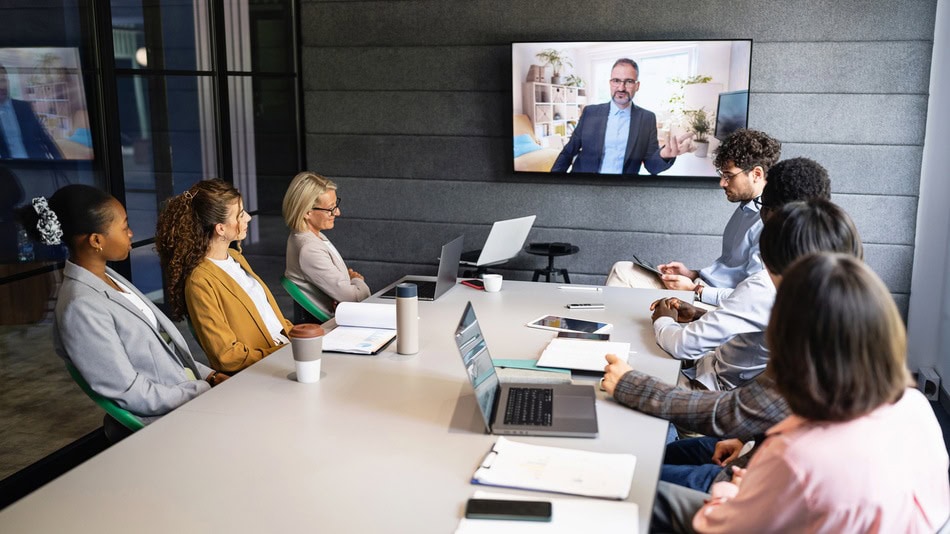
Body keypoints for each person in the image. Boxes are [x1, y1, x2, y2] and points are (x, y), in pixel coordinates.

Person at [652, 254, 950, 533]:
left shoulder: (795, 455)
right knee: (659, 459)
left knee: (643, 486)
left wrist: (734, 490)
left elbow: (720, 525)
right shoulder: (914, 405)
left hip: (744, 505)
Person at [602, 200, 862, 441]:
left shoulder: (784, 309)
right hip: (733, 415)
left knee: (621, 375)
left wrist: (634, 384)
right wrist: (702, 314)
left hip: (719, 406)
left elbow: (731, 413)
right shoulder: (841, 313)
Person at [16, 185, 224, 426]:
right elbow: (131, 392)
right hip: (168, 419)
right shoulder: (80, 306)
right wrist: (202, 391)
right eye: (124, 227)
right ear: (96, 240)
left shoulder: (108, 278)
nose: (131, 233)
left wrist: (210, 375)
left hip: (189, 394)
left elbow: (163, 348)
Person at [645, 158, 833, 391]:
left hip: (713, 392)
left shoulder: (767, 284)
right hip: (714, 368)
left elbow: (683, 345)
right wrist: (699, 315)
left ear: (770, 213)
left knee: (634, 361)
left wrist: (662, 318)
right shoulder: (824, 276)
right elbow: (754, 324)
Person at [606, 129, 781, 302]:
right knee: (624, 269)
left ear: (756, 174)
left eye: (729, 176)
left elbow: (753, 298)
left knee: (622, 276)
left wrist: (694, 290)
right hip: (701, 287)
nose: (722, 183)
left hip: (710, 299)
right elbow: (727, 270)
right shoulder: (746, 209)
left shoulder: (768, 224)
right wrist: (691, 274)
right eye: (722, 175)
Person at [155, 179, 293, 373]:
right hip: (262, 373)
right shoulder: (200, 281)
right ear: (220, 228)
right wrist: (283, 353)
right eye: (241, 214)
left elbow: (269, 317)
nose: (248, 219)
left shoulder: (236, 257)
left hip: (286, 356)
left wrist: (302, 338)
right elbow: (227, 356)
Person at [550, 58, 691, 175]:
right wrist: (551, 184)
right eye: (616, 80)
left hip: (622, 191)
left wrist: (664, 155)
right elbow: (568, 152)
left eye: (628, 81)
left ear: (637, 86)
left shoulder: (647, 119)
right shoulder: (590, 113)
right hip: (586, 187)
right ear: (610, 83)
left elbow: (651, 166)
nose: (621, 88)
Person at [282, 171, 369, 317]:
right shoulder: (309, 249)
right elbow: (356, 298)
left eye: (336, 205)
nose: (337, 212)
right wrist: (357, 280)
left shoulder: (308, 236)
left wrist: (345, 288)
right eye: (331, 209)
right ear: (307, 212)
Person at [0, 64, 62, 160]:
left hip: (36, 166)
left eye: (3, 80)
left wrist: (61, 162)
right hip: (10, 172)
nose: (1, 86)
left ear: (8, 82)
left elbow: (44, 136)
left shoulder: (23, 107)